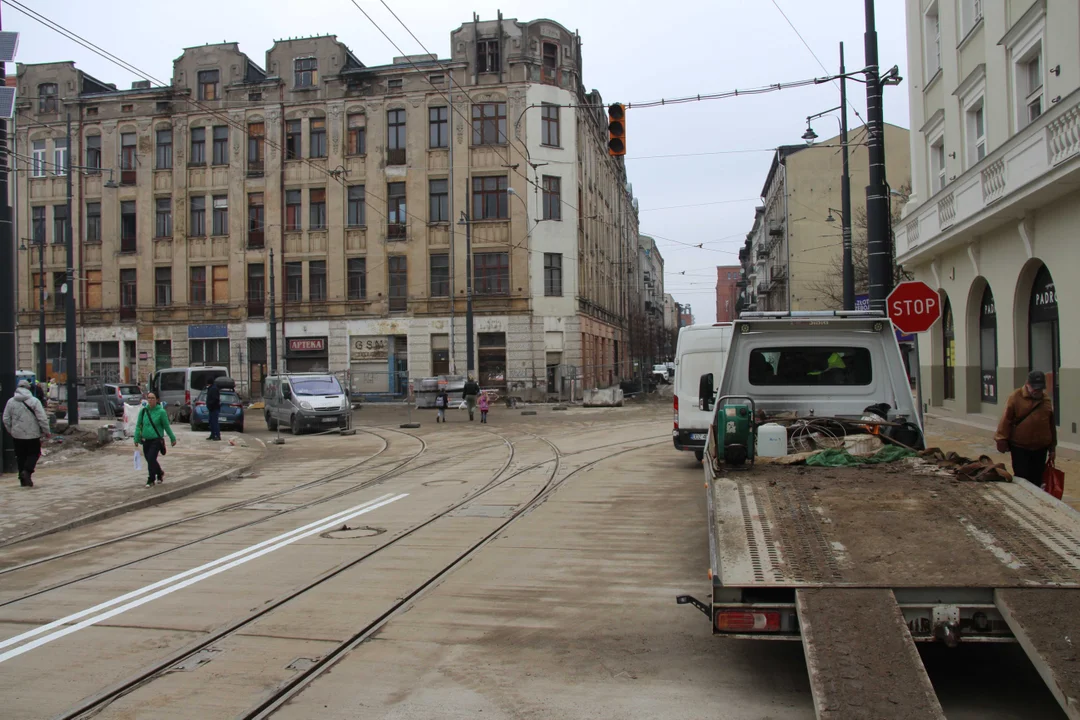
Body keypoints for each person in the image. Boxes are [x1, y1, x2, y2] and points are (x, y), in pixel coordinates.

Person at [995, 370, 1056, 488]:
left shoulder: (1046, 400)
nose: (1037, 391)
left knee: (1037, 479)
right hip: (1020, 447)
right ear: (1027, 384)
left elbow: (1051, 425)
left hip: (1040, 447)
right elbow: (1005, 420)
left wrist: (1052, 448)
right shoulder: (1015, 397)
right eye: (1034, 388)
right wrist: (1001, 439)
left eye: (1040, 389)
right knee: (1022, 478)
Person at [3, 379, 51, 487]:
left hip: (17, 435)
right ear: (29, 389)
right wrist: (46, 431)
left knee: (20, 456)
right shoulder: (34, 401)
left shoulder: (11, 401)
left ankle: (22, 480)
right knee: (34, 454)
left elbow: (6, 418)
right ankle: (27, 472)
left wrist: (11, 430)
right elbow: (42, 418)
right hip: (33, 434)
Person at [134, 392, 176, 487]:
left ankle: (151, 479)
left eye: (153, 398)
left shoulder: (161, 412)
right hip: (146, 439)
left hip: (156, 439)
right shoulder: (143, 411)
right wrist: (136, 438)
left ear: (157, 400)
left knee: (152, 458)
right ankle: (159, 472)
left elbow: (166, 426)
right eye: (149, 398)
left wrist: (172, 438)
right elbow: (138, 425)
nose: (150, 400)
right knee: (149, 459)